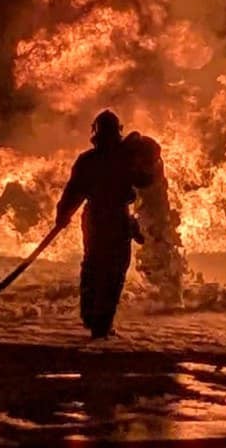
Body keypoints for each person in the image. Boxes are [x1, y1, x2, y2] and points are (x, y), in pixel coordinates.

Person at [55, 110, 157, 339]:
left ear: (95, 132)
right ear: (117, 131)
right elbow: (145, 180)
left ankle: (92, 317)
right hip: (115, 219)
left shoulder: (88, 160)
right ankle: (101, 323)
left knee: (93, 265)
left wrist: (63, 213)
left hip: (95, 219)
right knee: (113, 272)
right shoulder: (123, 158)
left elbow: (73, 191)